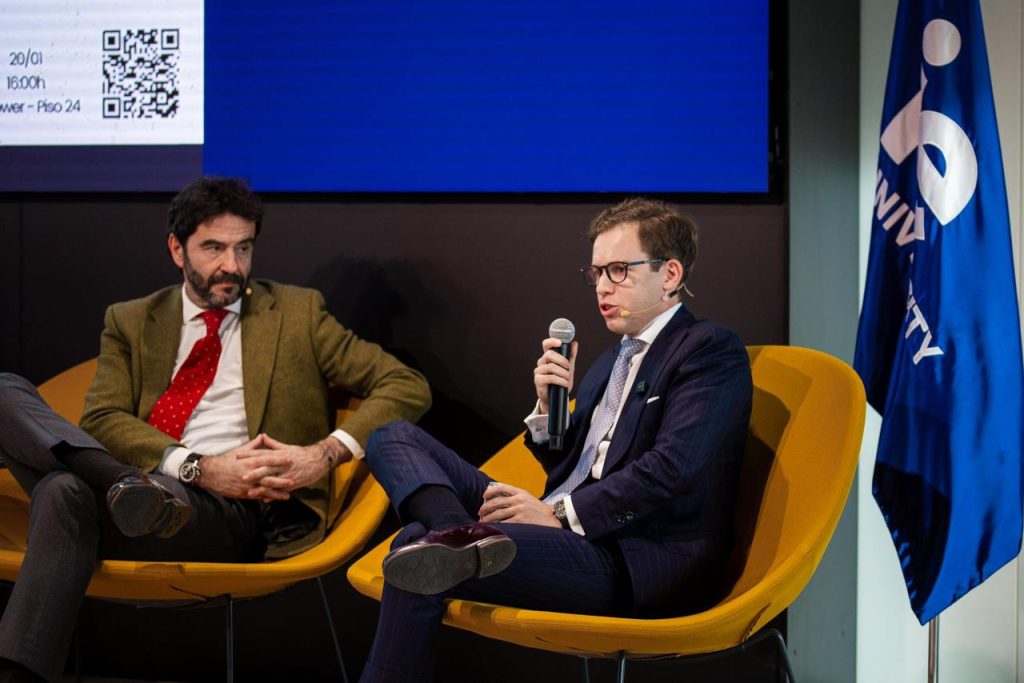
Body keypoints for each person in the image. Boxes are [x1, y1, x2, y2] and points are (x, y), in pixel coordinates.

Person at [0, 177, 431, 683]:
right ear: (176, 249)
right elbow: (101, 419)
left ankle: (119, 487)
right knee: (9, 397)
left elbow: (406, 385)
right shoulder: (132, 320)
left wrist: (324, 454)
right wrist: (197, 467)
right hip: (141, 491)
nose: (232, 265)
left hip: (227, 511)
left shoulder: (297, 313)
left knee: (60, 487)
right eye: (213, 248)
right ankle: (119, 481)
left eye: (243, 248)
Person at [358, 197, 753, 682]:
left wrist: (559, 515)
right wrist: (548, 408)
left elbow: (672, 469)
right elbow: (570, 466)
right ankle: (459, 536)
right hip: (567, 528)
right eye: (596, 273)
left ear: (669, 274)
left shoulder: (708, 350)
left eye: (618, 271)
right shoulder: (611, 360)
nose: (602, 287)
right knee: (391, 436)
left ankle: (456, 544)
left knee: (414, 546)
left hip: (630, 557)